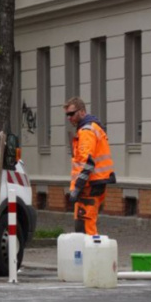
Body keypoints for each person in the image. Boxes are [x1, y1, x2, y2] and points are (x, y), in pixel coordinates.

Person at [64, 97, 115, 236]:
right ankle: (89, 254)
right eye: (67, 115)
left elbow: (87, 162)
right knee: (84, 223)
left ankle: (91, 256)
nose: (69, 118)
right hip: (94, 182)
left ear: (81, 112)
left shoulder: (86, 131)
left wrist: (77, 187)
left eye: (71, 114)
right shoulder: (91, 128)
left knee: (85, 225)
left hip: (89, 184)